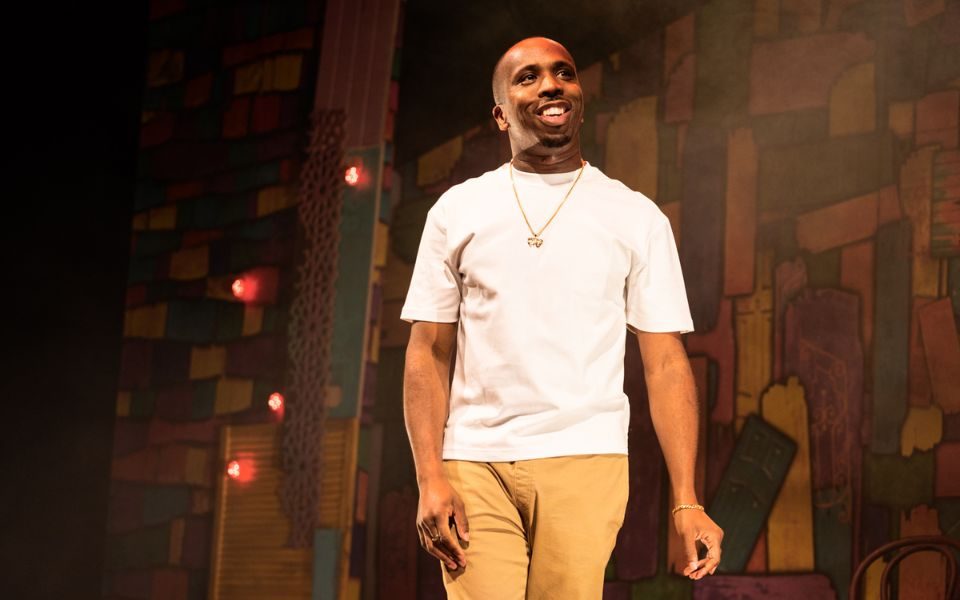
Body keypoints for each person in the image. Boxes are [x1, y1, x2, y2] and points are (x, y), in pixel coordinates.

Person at [400, 36, 723, 599]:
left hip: (586, 457)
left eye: (563, 73)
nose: (550, 84)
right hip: (476, 461)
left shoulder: (635, 216)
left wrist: (688, 501)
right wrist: (430, 476)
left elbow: (666, 365)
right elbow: (427, 350)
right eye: (528, 77)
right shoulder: (457, 210)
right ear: (501, 113)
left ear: (578, 95)